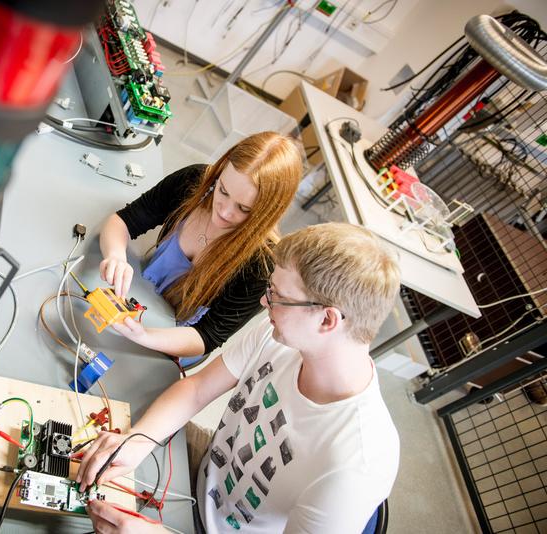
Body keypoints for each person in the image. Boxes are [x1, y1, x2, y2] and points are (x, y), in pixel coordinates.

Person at [78, 222, 402, 533]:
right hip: (203, 472)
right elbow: (197, 389)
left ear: (327, 320)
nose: (264, 302)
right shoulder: (279, 335)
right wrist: (138, 441)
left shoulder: (357, 465)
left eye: (277, 295)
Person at [98, 132, 302, 362]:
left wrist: (144, 336)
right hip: (140, 297)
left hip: (176, 341)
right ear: (220, 171)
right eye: (223, 190)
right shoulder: (194, 182)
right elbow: (125, 220)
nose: (224, 212)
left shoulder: (260, 265)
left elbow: (207, 336)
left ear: (267, 212)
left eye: (244, 208)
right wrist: (115, 256)